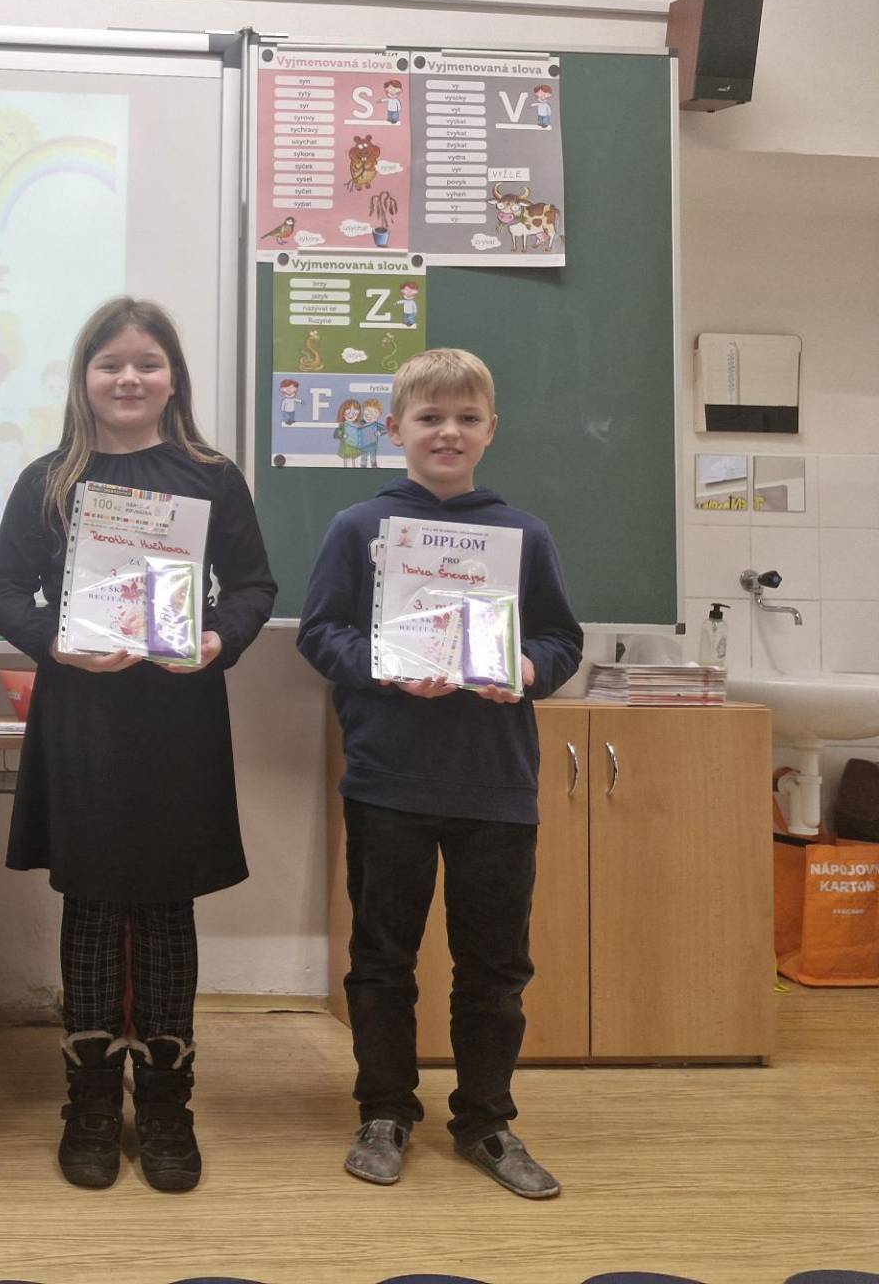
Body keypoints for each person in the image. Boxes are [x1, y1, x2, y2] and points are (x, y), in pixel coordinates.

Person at [0, 296, 275, 1193]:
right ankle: (92, 1104)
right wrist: (57, 643)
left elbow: (254, 586)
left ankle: (169, 1105)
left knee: (167, 909)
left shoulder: (211, 475)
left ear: (173, 377)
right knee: (95, 908)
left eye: (147, 362)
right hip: (84, 720)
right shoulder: (48, 481)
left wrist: (218, 638)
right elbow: (3, 592)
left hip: (180, 721)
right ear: (84, 379)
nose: (129, 378)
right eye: (110, 363)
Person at [295, 347, 582, 1199]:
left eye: (466, 418)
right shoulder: (358, 529)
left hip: (496, 786)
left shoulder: (525, 535)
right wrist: (387, 664)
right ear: (395, 430)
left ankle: (486, 1121)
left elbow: (561, 641)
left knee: (495, 968)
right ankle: (384, 1112)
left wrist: (526, 668)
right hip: (388, 781)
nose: (447, 432)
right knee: (382, 958)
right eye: (429, 417)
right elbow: (321, 634)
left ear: (491, 430)